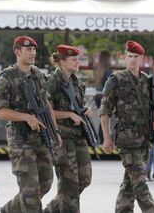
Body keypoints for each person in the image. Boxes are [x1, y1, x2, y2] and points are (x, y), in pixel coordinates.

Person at [0, 36, 62, 213]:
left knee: (45, 183)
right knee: (31, 192)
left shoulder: (37, 74)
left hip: (41, 137)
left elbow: (46, 104)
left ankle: (9, 209)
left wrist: (55, 131)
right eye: (28, 50)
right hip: (20, 140)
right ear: (17, 52)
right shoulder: (7, 77)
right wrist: (26, 117)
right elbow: (0, 111)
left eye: (34, 50)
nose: (33, 53)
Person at [100, 41, 154, 213]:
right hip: (127, 141)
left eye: (136, 57)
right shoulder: (116, 80)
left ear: (142, 58)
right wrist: (106, 137)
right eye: (130, 56)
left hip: (144, 140)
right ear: (125, 57)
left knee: (130, 184)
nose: (132, 60)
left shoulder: (148, 81)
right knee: (140, 184)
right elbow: (105, 111)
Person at [44, 45, 92, 213]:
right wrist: (69, 115)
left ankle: (51, 209)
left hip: (79, 136)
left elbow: (76, 107)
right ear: (63, 62)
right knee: (69, 185)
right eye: (74, 59)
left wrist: (83, 111)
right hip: (62, 138)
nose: (78, 61)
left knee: (85, 179)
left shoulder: (77, 83)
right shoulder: (51, 82)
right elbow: (47, 113)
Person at [93, 50, 112, 143]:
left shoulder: (98, 69)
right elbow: (110, 84)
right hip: (104, 97)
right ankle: (102, 138)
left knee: (102, 118)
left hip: (97, 97)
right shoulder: (107, 71)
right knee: (105, 118)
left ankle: (100, 138)